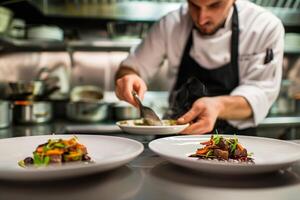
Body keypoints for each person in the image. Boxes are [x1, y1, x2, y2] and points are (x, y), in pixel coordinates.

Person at [114, 0, 284, 135]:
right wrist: (129, 78)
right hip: (174, 139)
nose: (202, 18)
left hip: (234, 143)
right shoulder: (170, 24)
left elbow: (261, 93)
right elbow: (131, 68)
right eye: (194, 5)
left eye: (215, 5)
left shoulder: (264, 27)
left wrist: (218, 106)